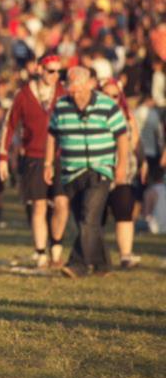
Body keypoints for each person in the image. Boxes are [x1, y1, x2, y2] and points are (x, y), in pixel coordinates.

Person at [45, 66, 129, 279]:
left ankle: (78, 264)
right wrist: (48, 163)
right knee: (88, 221)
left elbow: (122, 137)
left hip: (99, 169)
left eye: (77, 89)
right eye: (70, 89)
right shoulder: (61, 106)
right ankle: (102, 264)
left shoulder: (107, 106)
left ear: (88, 85)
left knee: (88, 217)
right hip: (71, 171)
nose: (73, 93)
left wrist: (121, 165)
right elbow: (52, 136)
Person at [0, 55, 69, 267]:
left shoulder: (63, 93)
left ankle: (56, 246)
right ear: (39, 69)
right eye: (50, 71)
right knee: (38, 206)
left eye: (58, 72)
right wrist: (3, 157)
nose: (55, 76)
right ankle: (40, 251)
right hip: (33, 155)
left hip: (60, 156)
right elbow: (9, 126)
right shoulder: (24, 95)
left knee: (62, 203)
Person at [99, 77, 142, 268]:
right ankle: (96, 255)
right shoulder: (94, 116)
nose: (110, 99)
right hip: (99, 172)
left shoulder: (128, 116)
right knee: (96, 217)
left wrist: (144, 162)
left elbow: (135, 143)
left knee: (124, 212)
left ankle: (125, 255)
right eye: (106, 95)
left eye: (114, 96)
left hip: (124, 174)